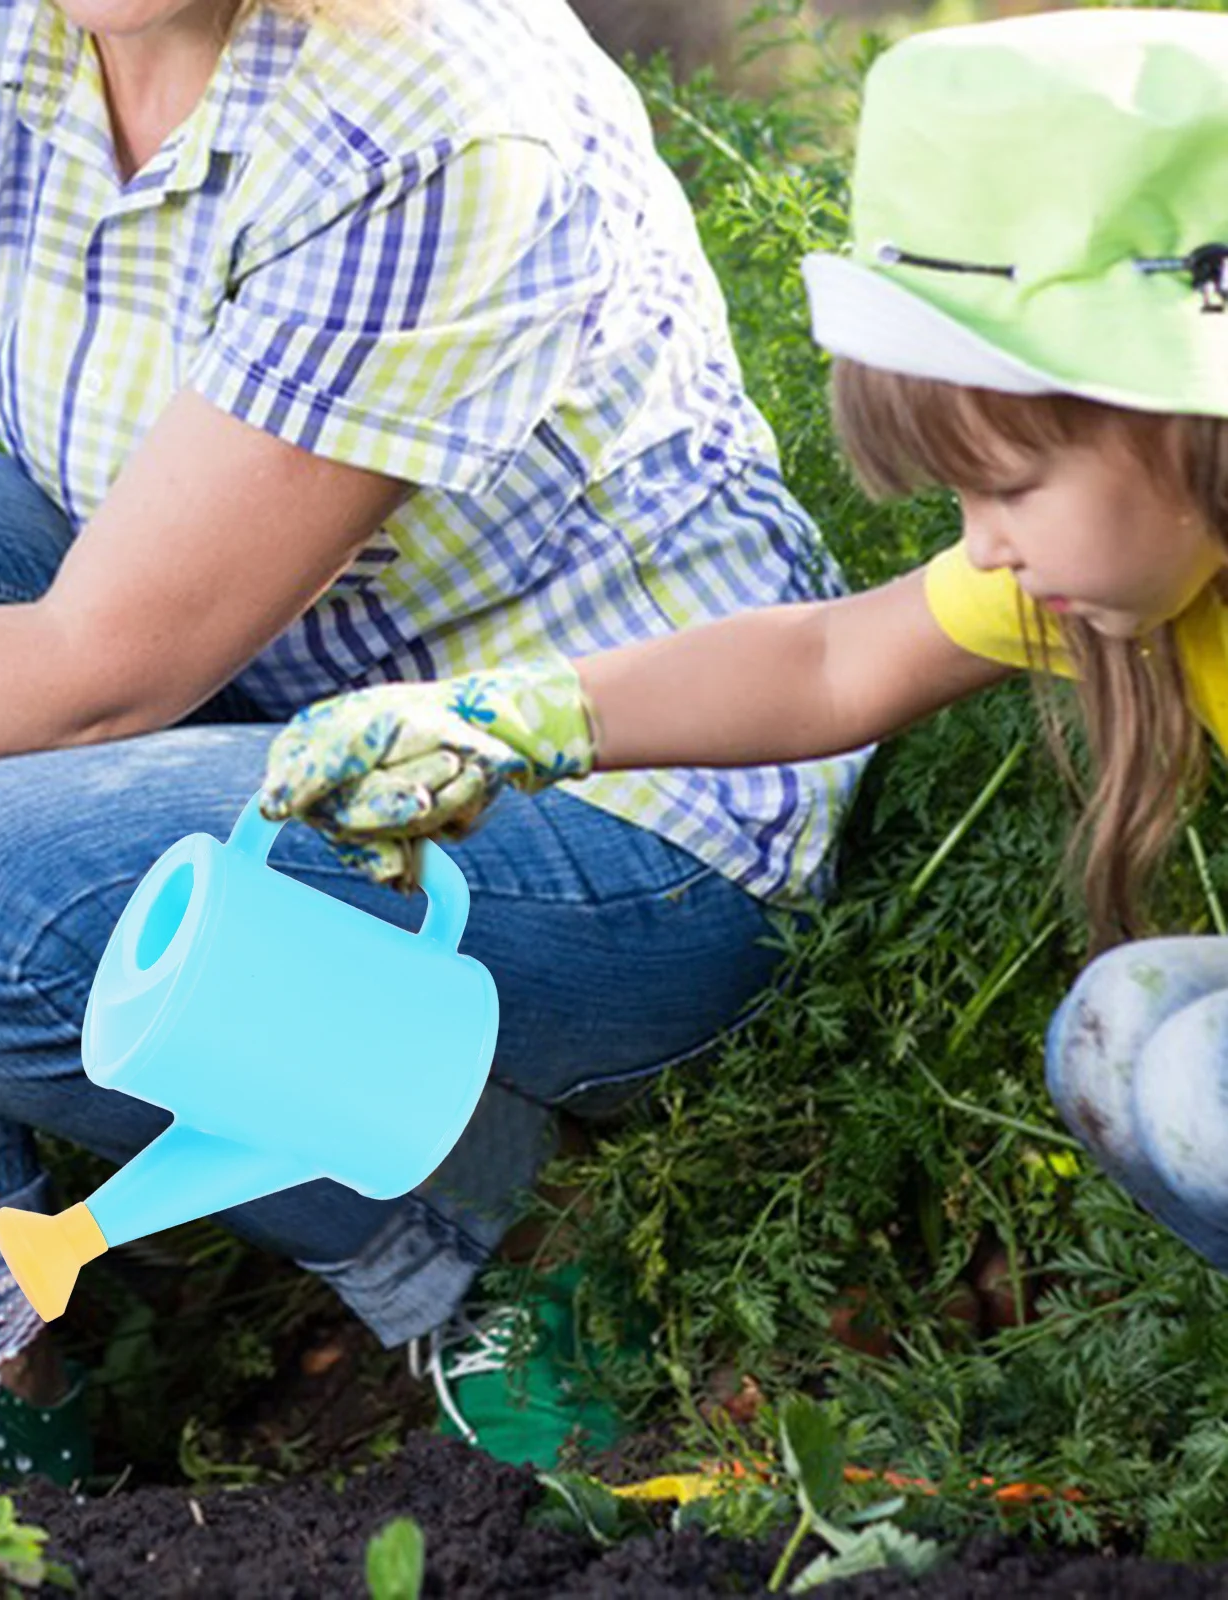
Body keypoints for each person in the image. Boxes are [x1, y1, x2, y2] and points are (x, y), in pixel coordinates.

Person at [0, 0, 870, 1478]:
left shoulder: (429, 102)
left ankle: (502, 1220)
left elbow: (97, 674)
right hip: (278, 712)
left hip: (601, 800)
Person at [263, 9, 1228, 1312]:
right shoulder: (1102, 566)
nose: (984, 548)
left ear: (1186, 411)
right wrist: (512, 720)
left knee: (1186, 1076)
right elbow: (829, 663)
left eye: (1007, 486)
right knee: (1130, 1037)